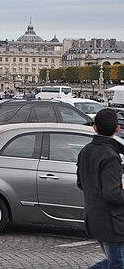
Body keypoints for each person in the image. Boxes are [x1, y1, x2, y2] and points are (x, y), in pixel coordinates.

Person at [77, 108, 124, 268]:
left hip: (93, 217)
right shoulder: (111, 156)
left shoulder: (85, 151)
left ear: (95, 127)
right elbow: (112, 194)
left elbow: (80, 183)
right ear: (117, 129)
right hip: (112, 222)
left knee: (116, 262)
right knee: (118, 263)